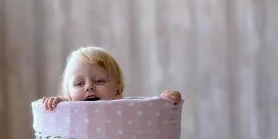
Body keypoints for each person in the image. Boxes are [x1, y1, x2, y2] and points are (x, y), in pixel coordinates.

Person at [42, 46, 182, 111]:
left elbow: (148, 114)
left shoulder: (124, 108)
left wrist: (163, 102)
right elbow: (62, 109)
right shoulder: (68, 110)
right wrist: (59, 104)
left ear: (118, 90)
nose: (89, 87)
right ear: (68, 94)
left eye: (99, 81)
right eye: (79, 83)